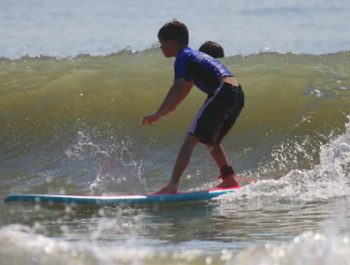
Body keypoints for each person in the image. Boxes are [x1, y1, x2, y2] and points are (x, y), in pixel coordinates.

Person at [142, 20, 244, 194]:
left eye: (162, 43)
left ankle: (172, 185)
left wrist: (159, 112)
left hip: (222, 90)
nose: (161, 48)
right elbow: (184, 91)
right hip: (237, 93)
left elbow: (178, 86)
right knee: (213, 141)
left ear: (172, 43)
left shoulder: (183, 57)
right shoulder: (193, 58)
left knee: (191, 139)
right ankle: (229, 178)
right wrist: (168, 109)